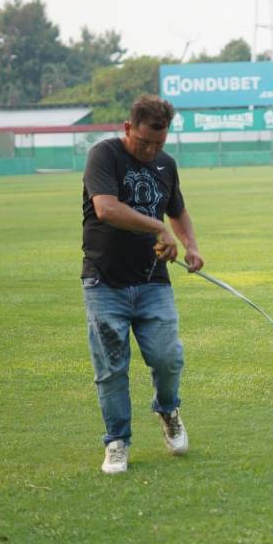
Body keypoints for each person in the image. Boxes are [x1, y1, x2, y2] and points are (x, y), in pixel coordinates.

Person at [81, 94, 205, 474]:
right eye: (144, 142)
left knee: (169, 359)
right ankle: (117, 441)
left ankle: (168, 411)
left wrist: (191, 246)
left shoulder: (166, 165)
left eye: (159, 143)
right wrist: (157, 227)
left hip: (154, 283)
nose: (151, 150)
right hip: (105, 283)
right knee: (112, 367)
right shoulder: (104, 156)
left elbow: (177, 209)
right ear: (127, 128)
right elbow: (106, 208)